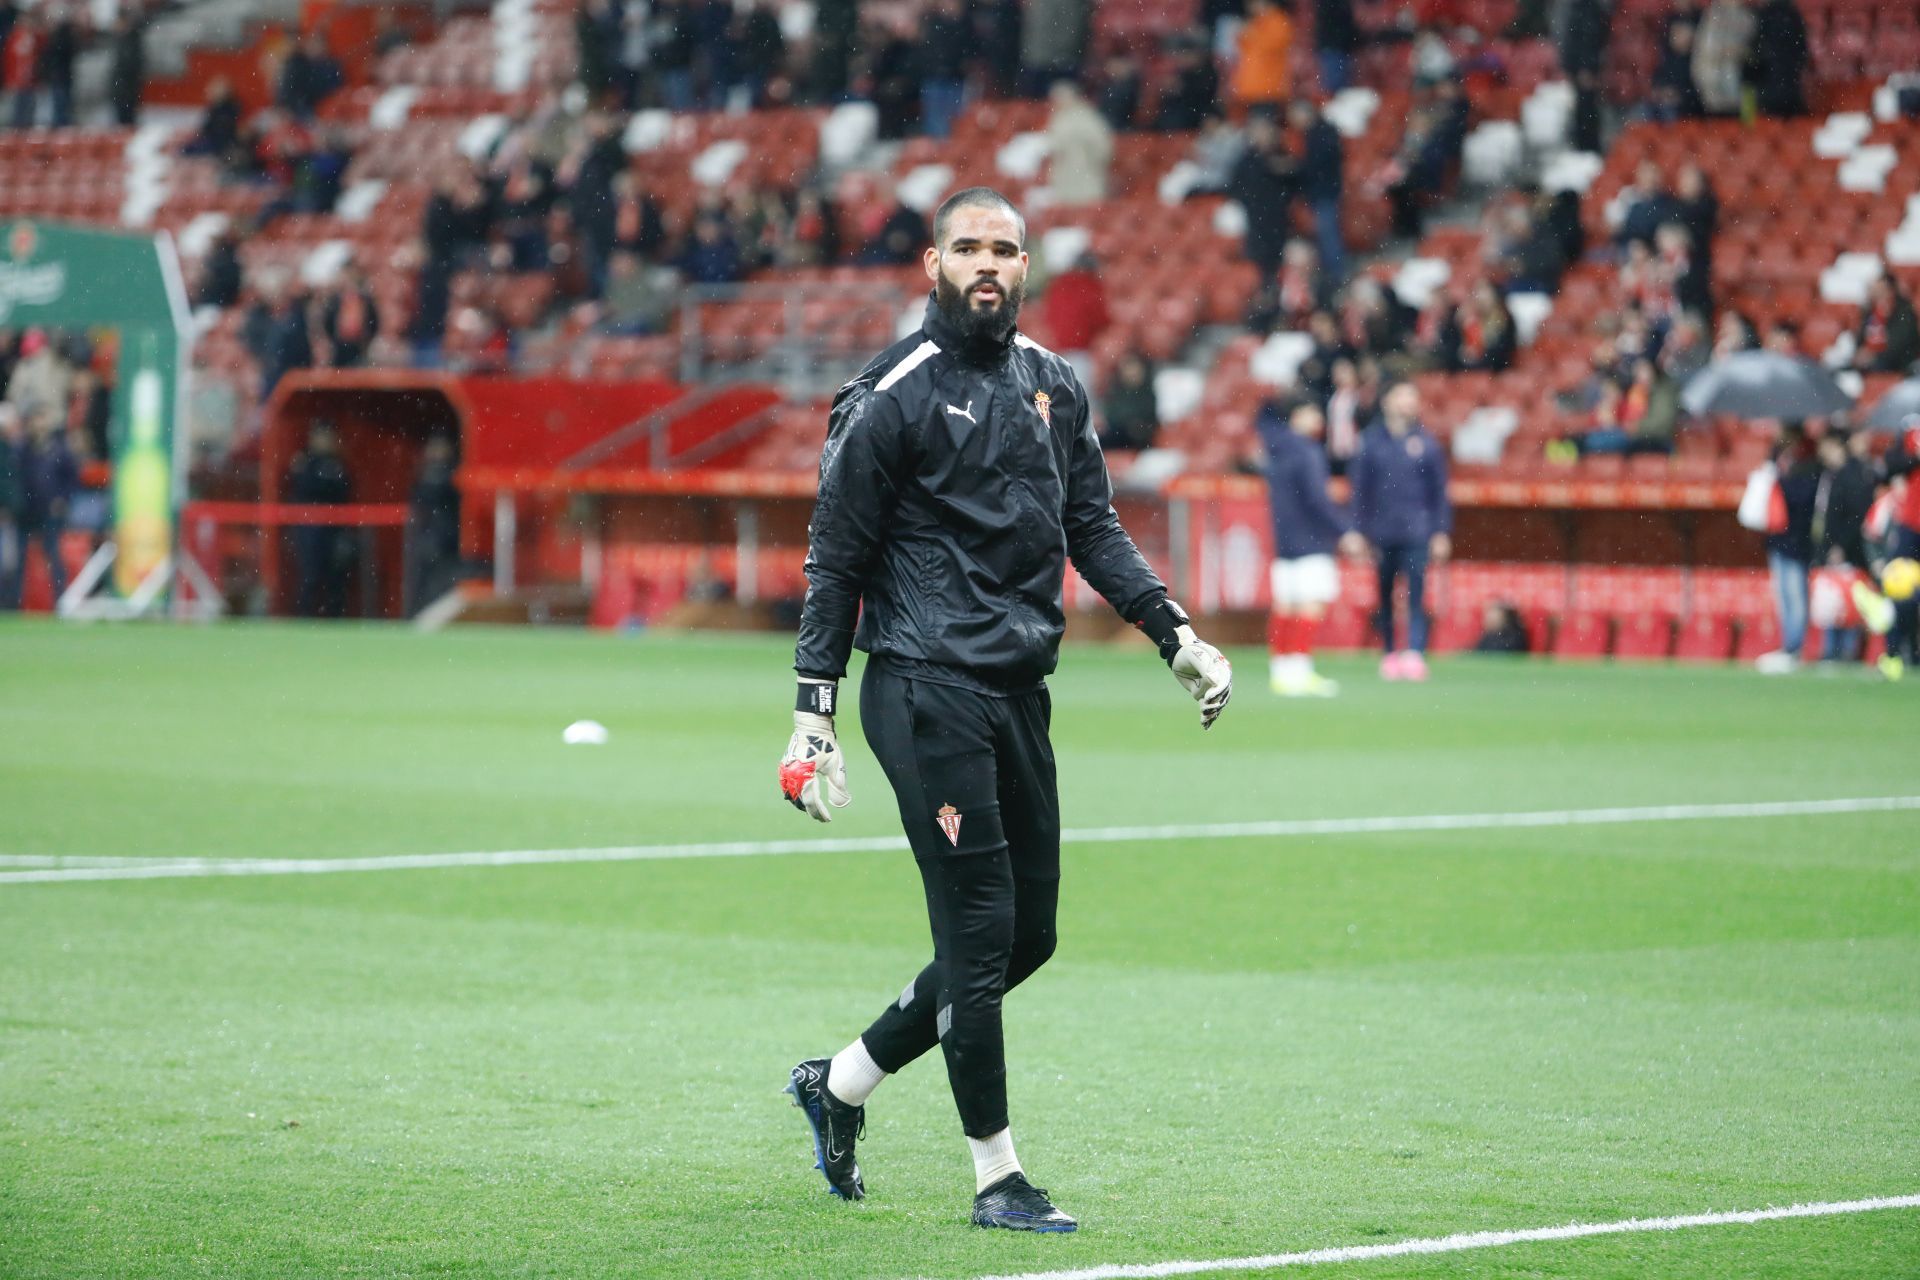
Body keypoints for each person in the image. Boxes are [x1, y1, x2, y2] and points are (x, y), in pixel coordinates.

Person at [779, 186, 1232, 1232]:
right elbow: (833, 555)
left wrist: (1175, 632)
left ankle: (839, 1082)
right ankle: (999, 1177)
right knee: (982, 930)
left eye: (1007, 249)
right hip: (922, 684)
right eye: (970, 247)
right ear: (933, 263)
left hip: (1019, 689)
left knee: (1032, 936)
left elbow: (1094, 525)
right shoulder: (890, 392)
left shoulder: (1052, 386)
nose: (990, 264)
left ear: (1026, 268)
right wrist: (814, 712)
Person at [1348, 381, 1451, 681]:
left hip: (1418, 531)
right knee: (1384, 594)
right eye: (1401, 396)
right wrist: (1357, 529)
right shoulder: (1370, 442)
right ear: (1387, 402)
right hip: (1382, 531)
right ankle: (1391, 653)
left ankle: (1415, 653)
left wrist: (1441, 531)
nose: (1407, 403)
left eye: (1411, 397)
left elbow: (1439, 493)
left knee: (1417, 594)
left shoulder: (1427, 443)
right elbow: (1360, 491)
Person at [1259, 400, 1359, 696]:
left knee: (1285, 606)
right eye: (1313, 411)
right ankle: (1300, 671)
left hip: (1285, 540)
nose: (1318, 418)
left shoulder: (1275, 451)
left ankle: (1281, 671)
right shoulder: (1308, 451)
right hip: (1312, 539)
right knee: (1310, 604)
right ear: (1297, 415)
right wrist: (1344, 532)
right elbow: (1318, 500)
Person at [1756, 424, 1817, 674]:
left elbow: (1803, 500)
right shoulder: (1779, 459)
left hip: (1796, 541)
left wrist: (1781, 481)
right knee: (1784, 597)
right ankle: (1788, 646)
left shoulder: (1807, 465)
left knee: (1796, 596)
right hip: (1779, 539)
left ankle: (1795, 647)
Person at [286, 422, 355, 618]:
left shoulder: (338, 464)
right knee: (310, 575)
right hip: (309, 528)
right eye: (320, 436)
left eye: (327, 437)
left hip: (334, 529)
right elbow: (304, 488)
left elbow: (342, 491)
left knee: (336, 577)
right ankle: (304, 617)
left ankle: (334, 618)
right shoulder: (304, 461)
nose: (324, 441)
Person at [14, 404, 75, 610]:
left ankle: (60, 602)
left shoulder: (60, 449)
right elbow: (15, 479)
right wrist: (17, 503)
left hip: (49, 511)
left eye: (42, 420)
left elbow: (71, 479)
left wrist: (62, 499)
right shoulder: (22, 450)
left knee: (54, 558)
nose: (39, 425)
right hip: (25, 511)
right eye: (36, 420)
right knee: (18, 560)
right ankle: (14, 604)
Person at [1286, 97, 1346, 284]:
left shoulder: (1323, 132)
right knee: (1323, 234)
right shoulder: (1315, 133)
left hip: (1325, 191)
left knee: (1328, 234)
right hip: (1319, 191)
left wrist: (1296, 168)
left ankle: (1337, 274)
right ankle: (1329, 273)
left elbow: (1321, 164)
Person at [404, 435, 461, 618]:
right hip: (424, 540)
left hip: (446, 541)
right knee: (419, 586)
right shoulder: (423, 474)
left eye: (440, 447)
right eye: (433, 447)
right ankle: (416, 617)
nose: (437, 452)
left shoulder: (452, 474)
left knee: (442, 588)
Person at [1045, 80, 1113, 206]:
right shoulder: (1059, 117)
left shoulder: (1087, 116)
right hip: (1064, 172)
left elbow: (1101, 146)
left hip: (1084, 170)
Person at [1745, 0, 1807, 118]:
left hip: (1770, 90)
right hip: (1790, 88)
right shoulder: (1792, 15)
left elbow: (1755, 56)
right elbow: (1802, 51)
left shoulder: (1764, 17)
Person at [1231, 0, 1293, 117]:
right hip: (1251, 89)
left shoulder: (1279, 21)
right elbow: (1242, 45)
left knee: (1265, 127)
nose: (1250, 7)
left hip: (1269, 89)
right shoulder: (1255, 22)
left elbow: (1272, 46)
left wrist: (1251, 34)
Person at [917, 0, 969, 140]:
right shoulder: (931, 22)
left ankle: (949, 146)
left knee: (954, 116)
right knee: (935, 116)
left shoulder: (962, 24)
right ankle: (937, 147)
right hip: (935, 76)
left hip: (953, 77)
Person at [1851, 276, 1920, 375]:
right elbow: (1861, 336)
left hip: (1898, 362)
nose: (1875, 292)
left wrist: (1874, 355)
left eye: (1879, 289)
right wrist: (1861, 352)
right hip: (1872, 360)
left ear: (1889, 290)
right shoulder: (1870, 311)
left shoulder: (1904, 311)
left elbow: (1900, 341)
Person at [1098, 350, 1159, 451]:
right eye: (1127, 367)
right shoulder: (1116, 392)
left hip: (1141, 437)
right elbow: (1111, 415)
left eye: (1133, 366)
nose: (1131, 371)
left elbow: (1149, 417)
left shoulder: (1148, 393)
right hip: (1119, 433)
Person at [0, 404, 20, 609]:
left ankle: (9, 603)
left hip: (9, 514)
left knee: (8, 563)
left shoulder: (12, 449)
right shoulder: (7, 451)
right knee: (7, 563)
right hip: (5, 514)